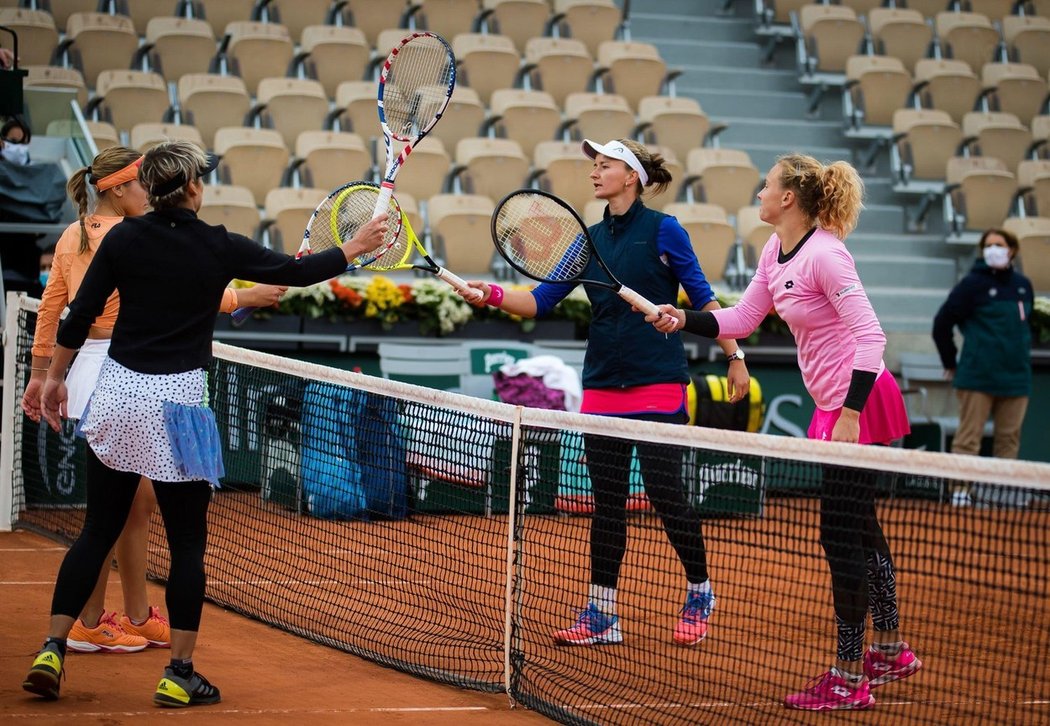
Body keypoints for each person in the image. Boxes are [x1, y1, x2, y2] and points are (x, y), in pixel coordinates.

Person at [22, 140, 387, 707]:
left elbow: (78, 315)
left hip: (116, 395)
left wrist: (51, 377)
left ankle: (52, 646)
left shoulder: (122, 238)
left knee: (98, 529)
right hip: (179, 405)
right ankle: (179, 673)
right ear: (192, 188)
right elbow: (298, 269)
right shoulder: (218, 245)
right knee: (188, 542)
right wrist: (355, 248)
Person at [647, 153, 922, 711]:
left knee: (840, 535)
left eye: (766, 185)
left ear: (789, 198)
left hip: (858, 402)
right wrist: (682, 317)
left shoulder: (827, 255)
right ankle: (890, 647)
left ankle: (849, 676)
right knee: (860, 527)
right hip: (836, 404)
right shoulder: (775, 251)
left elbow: (871, 338)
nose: (760, 193)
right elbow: (742, 319)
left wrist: (849, 414)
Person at [461, 138, 750, 647]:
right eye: (593, 166)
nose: (595, 173)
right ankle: (602, 613)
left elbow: (705, 299)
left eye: (606, 165)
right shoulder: (586, 242)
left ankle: (700, 590)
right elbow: (541, 301)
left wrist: (735, 356)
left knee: (666, 496)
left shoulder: (665, 230)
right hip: (601, 388)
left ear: (631, 176)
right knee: (608, 504)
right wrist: (493, 295)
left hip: (658, 384)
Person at [22, 146, 286, 656]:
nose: (148, 191)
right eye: (140, 183)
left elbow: (54, 309)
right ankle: (110, 618)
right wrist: (242, 299)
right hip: (127, 372)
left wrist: (42, 375)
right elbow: (162, 295)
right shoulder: (123, 236)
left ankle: (102, 618)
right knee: (129, 513)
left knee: (118, 511)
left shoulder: (75, 234)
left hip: (89, 371)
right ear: (119, 188)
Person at [932, 228, 1033, 507]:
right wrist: (950, 362)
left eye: (998, 244)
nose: (993, 250)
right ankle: (960, 491)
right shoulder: (971, 285)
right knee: (968, 439)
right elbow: (942, 323)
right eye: (987, 245)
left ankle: (1005, 491)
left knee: (1009, 440)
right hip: (977, 376)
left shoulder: (1023, 285)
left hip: (1016, 377)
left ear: (1011, 249)